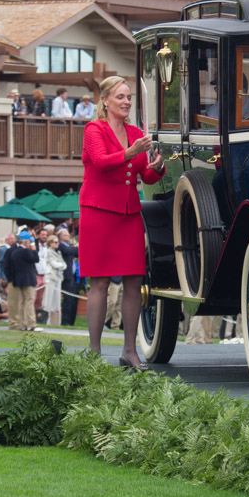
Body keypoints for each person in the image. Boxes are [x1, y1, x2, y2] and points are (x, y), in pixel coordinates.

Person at [79, 75, 164, 368]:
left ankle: (130, 350)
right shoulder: (94, 129)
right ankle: (94, 351)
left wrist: (158, 165)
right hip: (98, 211)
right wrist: (132, 152)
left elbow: (147, 176)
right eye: (120, 97)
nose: (126, 101)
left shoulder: (135, 132)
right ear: (105, 101)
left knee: (134, 280)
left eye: (129, 97)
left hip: (128, 213)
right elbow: (101, 163)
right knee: (99, 282)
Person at [3, 230, 39, 331]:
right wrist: (34, 250)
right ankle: (29, 323)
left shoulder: (15, 251)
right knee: (27, 301)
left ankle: (22, 324)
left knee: (21, 302)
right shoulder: (23, 251)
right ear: (26, 241)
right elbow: (36, 258)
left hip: (18, 279)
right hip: (24, 279)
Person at [57, 229, 79, 325]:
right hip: (66, 276)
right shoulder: (61, 245)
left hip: (72, 276)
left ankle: (71, 321)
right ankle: (65, 321)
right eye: (66, 235)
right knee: (67, 300)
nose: (68, 236)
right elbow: (68, 251)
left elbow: (77, 253)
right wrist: (77, 247)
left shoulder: (69, 246)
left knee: (73, 300)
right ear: (61, 236)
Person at [44, 234, 66, 326]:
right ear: (50, 243)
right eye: (56, 242)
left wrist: (60, 265)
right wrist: (60, 265)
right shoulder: (48, 252)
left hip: (58, 277)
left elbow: (64, 265)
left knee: (57, 300)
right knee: (48, 300)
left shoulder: (58, 252)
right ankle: (47, 321)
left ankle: (56, 322)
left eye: (58, 242)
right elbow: (54, 264)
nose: (58, 244)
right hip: (50, 277)